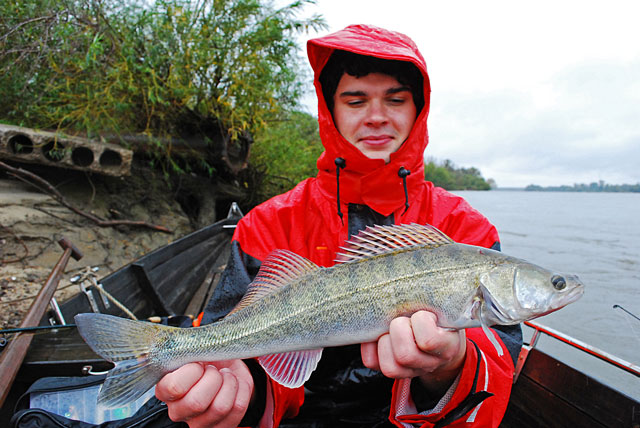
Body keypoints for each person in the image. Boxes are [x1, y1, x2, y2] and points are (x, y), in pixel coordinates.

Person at [155, 24, 522, 428]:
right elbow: (228, 334)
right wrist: (240, 387)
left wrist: (450, 367)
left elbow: (498, 359)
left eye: (396, 99)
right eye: (356, 100)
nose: (377, 117)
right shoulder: (267, 224)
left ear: (419, 110)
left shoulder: (465, 228)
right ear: (330, 110)